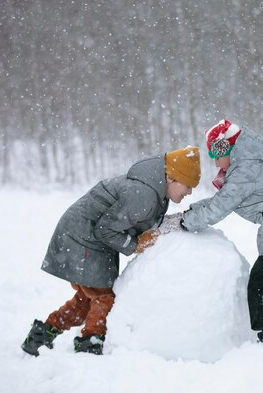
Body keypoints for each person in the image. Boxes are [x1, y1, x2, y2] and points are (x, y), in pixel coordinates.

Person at [21, 146, 201, 356]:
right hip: (83, 238)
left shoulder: (155, 191)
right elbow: (105, 230)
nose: (189, 192)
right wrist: (135, 245)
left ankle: (41, 335)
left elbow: (139, 222)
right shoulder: (144, 194)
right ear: (170, 178)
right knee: (104, 298)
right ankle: (90, 344)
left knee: (88, 298)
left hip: (88, 238)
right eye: (187, 186)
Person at [181, 120, 263, 347]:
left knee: (259, 286)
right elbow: (223, 201)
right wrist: (192, 211)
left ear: (227, 148)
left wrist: (185, 222)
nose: (215, 162)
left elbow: (220, 207)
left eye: (216, 154)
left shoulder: (245, 170)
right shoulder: (247, 166)